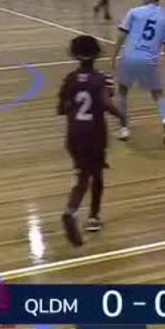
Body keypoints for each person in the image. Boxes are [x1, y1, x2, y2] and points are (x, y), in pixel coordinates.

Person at [57, 34, 124, 245]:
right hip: (95, 135)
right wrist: (121, 115)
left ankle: (71, 210)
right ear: (96, 55)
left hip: (74, 136)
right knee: (97, 177)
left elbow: (62, 108)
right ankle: (93, 217)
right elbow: (106, 102)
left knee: (82, 178)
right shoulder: (102, 79)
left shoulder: (69, 79)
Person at [110, 0, 165, 145]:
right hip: (149, 61)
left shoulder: (134, 12)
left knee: (123, 91)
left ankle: (124, 128)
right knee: (158, 94)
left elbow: (121, 35)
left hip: (129, 58)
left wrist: (114, 55)